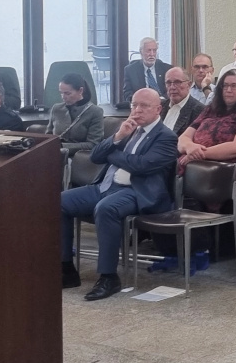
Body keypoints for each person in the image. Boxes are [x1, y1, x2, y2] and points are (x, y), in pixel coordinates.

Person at [59, 88, 177, 300]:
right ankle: (66, 268)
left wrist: (111, 154)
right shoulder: (126, 129)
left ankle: (108, 277)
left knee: (106, 208)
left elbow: (140, 166)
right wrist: (118, 136)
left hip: (137, 192)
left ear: (158, 109)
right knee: (59, 202)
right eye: (134, 105)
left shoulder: (166, 137)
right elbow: (95, 155)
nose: (137, 111)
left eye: (144, 106)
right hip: (105, 186)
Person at [178, 68, 236, 170]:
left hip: (224, 171)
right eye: (225, 85)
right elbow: (183, 138)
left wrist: (198, 154)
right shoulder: (210, 110)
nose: (228, 90)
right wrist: (189, 147)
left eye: (234, 86)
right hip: (193, 164)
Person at [48, 72, 105, 154]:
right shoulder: (56, 108)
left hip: (78, 158)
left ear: (80, 90)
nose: (63, 97)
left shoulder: (95, 112)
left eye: (67, 93)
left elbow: (93, 144)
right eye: (61, 93)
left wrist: (62, 146)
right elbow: (48, 136)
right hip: (55, 155)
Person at [120, 37, 172, 105]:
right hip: (142, 105)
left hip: (163, 105)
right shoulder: (130, 70)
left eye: (154, 50)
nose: (152, 54)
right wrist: (141, 101)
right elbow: (127, 93)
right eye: (149, 50)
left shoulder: (167, 69)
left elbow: (171, 90)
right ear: (141, 52)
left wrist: (161, 100)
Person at [158, 67, 204, 138]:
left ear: (189, 85)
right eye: (169, 83)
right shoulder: (160, 106)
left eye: (177, 82)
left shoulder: (199, 110)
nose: (172, 87)